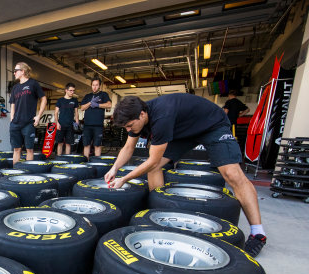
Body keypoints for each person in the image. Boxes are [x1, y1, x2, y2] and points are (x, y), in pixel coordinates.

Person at [104, 94, 267, 257]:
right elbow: (128, 148)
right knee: (155, 167)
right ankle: (158, 215)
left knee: (232, 174)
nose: (128, 130)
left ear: (142, 114)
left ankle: (258, 233)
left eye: (130, 126)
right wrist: (114, 169)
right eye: (125, 127)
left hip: (211, 125)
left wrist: (124, 178)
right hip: (183, 132)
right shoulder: (135, 118)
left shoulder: (162, 115)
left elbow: (152, 161)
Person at [9, 61, 47, 165]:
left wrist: (39, 116)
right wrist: (11, 118)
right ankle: (15, 173)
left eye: (16, 71)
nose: (14, 73)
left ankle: (27, 172)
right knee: (16, 149)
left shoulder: (33, 84)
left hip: (28, 123)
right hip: (15, 123)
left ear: (23, 71)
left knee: (29, 149)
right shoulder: (15, 88)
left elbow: (43, 99)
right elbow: (12, 103)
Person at [80, 77, 112, 159]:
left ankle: (97, 163)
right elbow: (82, 108)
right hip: (87, 125)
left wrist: (98, 105)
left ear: (99, 86)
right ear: (91, 85)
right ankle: (85, 163)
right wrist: (90, 103)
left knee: (97, 145)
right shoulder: (88, 96)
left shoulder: (104, 94)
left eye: (96, 85)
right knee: (86, 144)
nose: (94, 87)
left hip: (98, 125)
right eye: (93, 85)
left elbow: (109, 105)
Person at [54, 83, 80, 156]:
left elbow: (76, 112)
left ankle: (67, 160)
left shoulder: (75, 100)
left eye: (73, 91)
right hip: (61, 125)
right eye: (70, 90)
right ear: (66, 90)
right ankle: (59, 159)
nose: (72, 92)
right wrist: (57, 123)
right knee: (60, 143)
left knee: (69, 143)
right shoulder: (60, 100)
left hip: (70, 125)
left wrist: (77, 120)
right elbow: (55, 112)